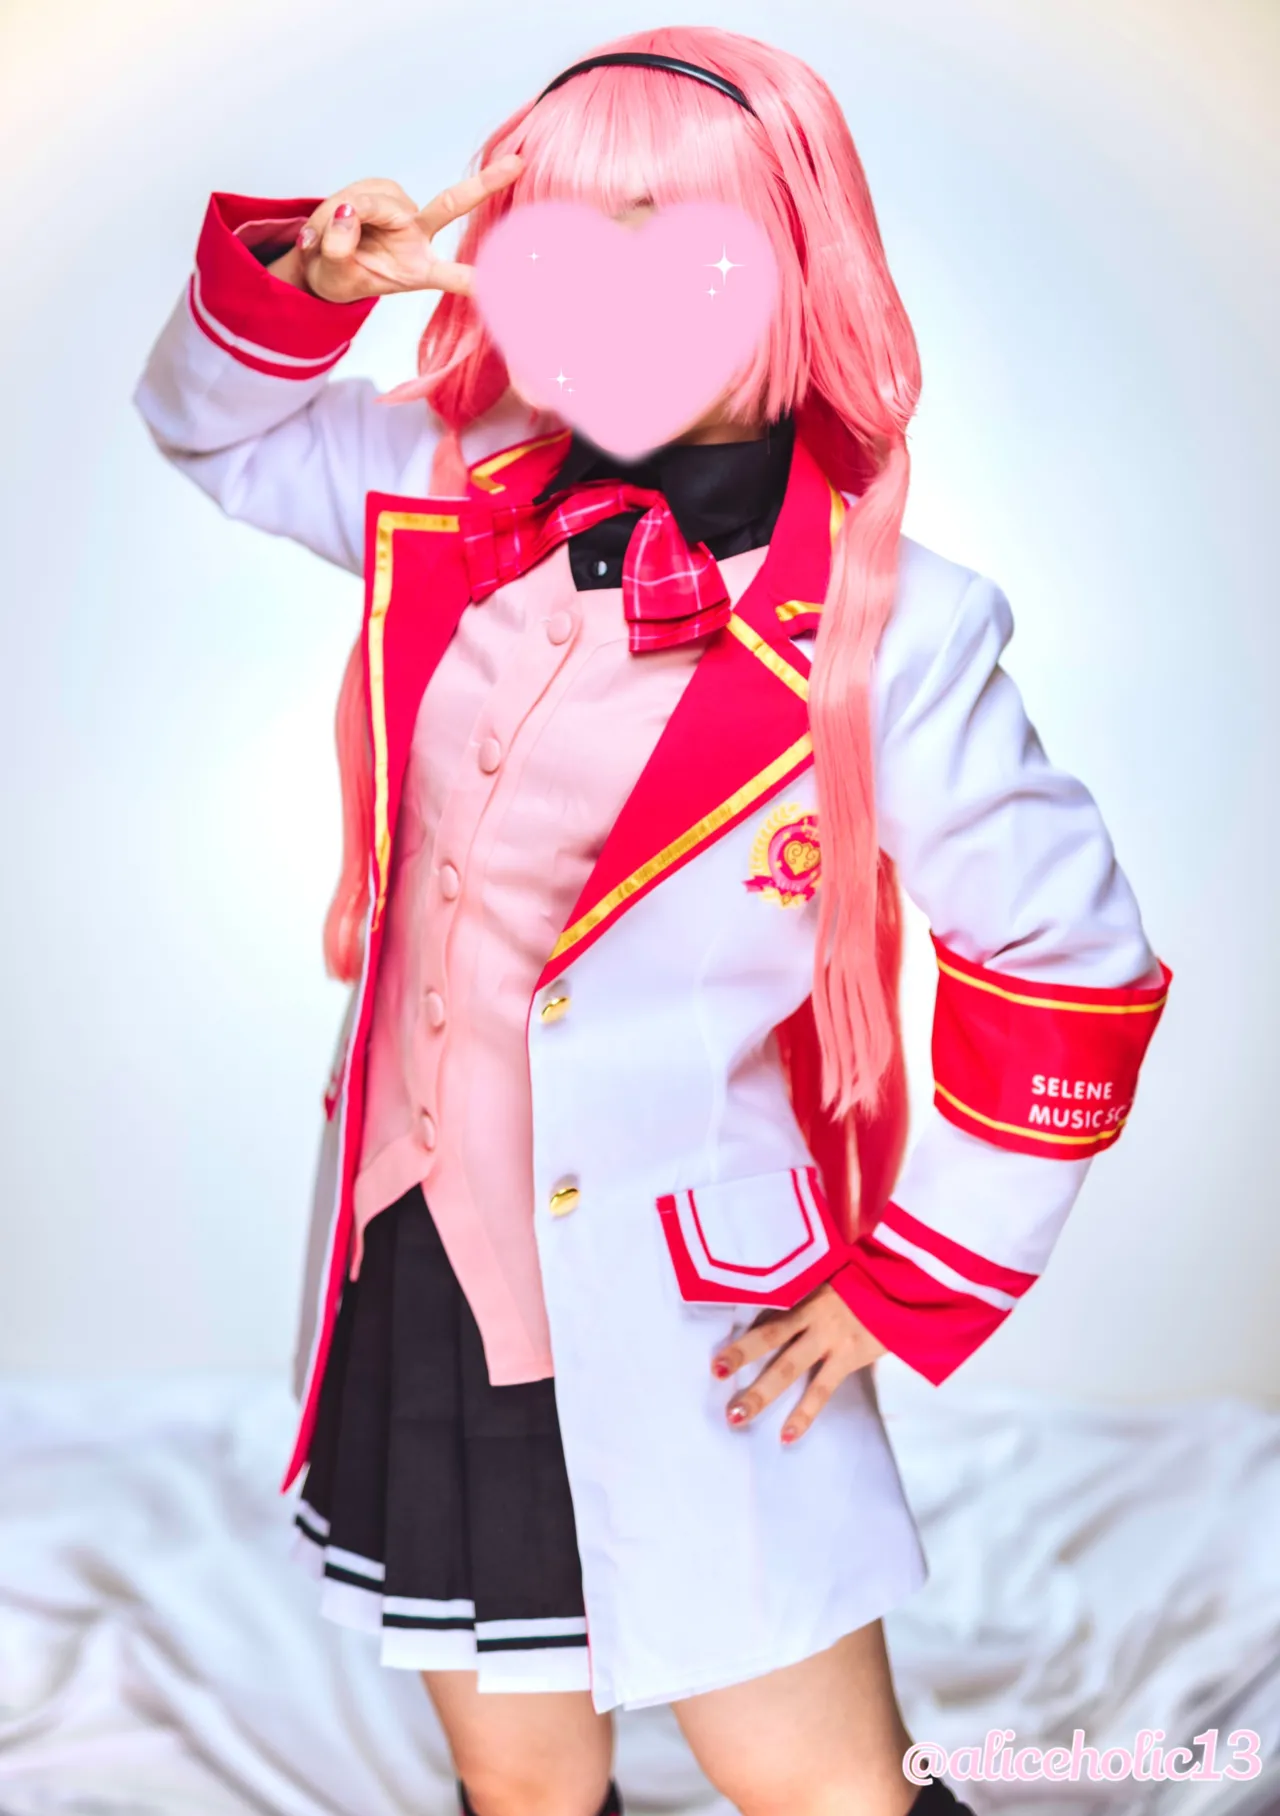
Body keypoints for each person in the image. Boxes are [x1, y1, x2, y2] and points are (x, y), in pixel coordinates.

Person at [133, 24, 1170, 1816]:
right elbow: (206, 430)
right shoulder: (451, 487)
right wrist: (317, 282)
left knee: (826, 1794)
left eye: (667, 243)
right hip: (418, 1264)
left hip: (696, 1313)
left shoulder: (898, 632)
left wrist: (916, 1276)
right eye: (550, 237)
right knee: (524, 1788)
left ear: (795, 265)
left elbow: (1071, 962)